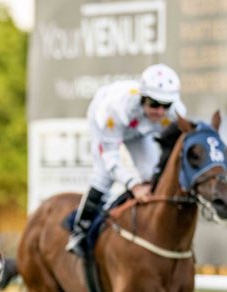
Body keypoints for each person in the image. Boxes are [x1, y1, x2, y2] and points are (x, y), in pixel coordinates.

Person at [66, 63, 185, 256]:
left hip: (139, 129)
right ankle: (80, 230)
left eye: (166, 105)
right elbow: (110, 156)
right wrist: (133, 185)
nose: (160, 111)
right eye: (154, 104)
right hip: (109, 123)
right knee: (104, 176)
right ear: (143, 97)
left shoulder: (176, 113)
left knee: (150, 175)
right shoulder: (117, 108)